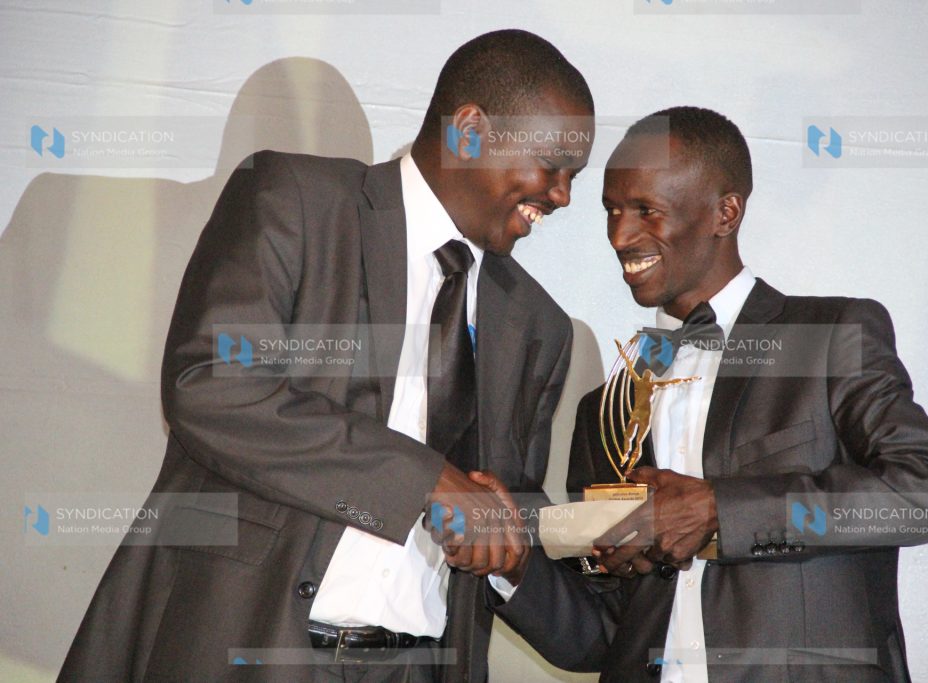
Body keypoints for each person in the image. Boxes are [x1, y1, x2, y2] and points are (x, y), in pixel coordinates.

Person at [58, 29, 594, 683]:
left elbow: (506, 517)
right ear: (471, 130)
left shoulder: (537, 326)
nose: (563, 195)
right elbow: (212, 384)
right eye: (553, 164)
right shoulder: (296, 201)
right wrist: (424, 478)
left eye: (574, 176)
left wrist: (510, 561)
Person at [484, 106, 928, 682]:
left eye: (646, 211)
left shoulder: (828, 338)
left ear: (725, 213)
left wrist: (717, 507)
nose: (619, 236)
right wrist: (513, 566)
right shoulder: (606, 411)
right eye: (612, 211)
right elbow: (601, 636)